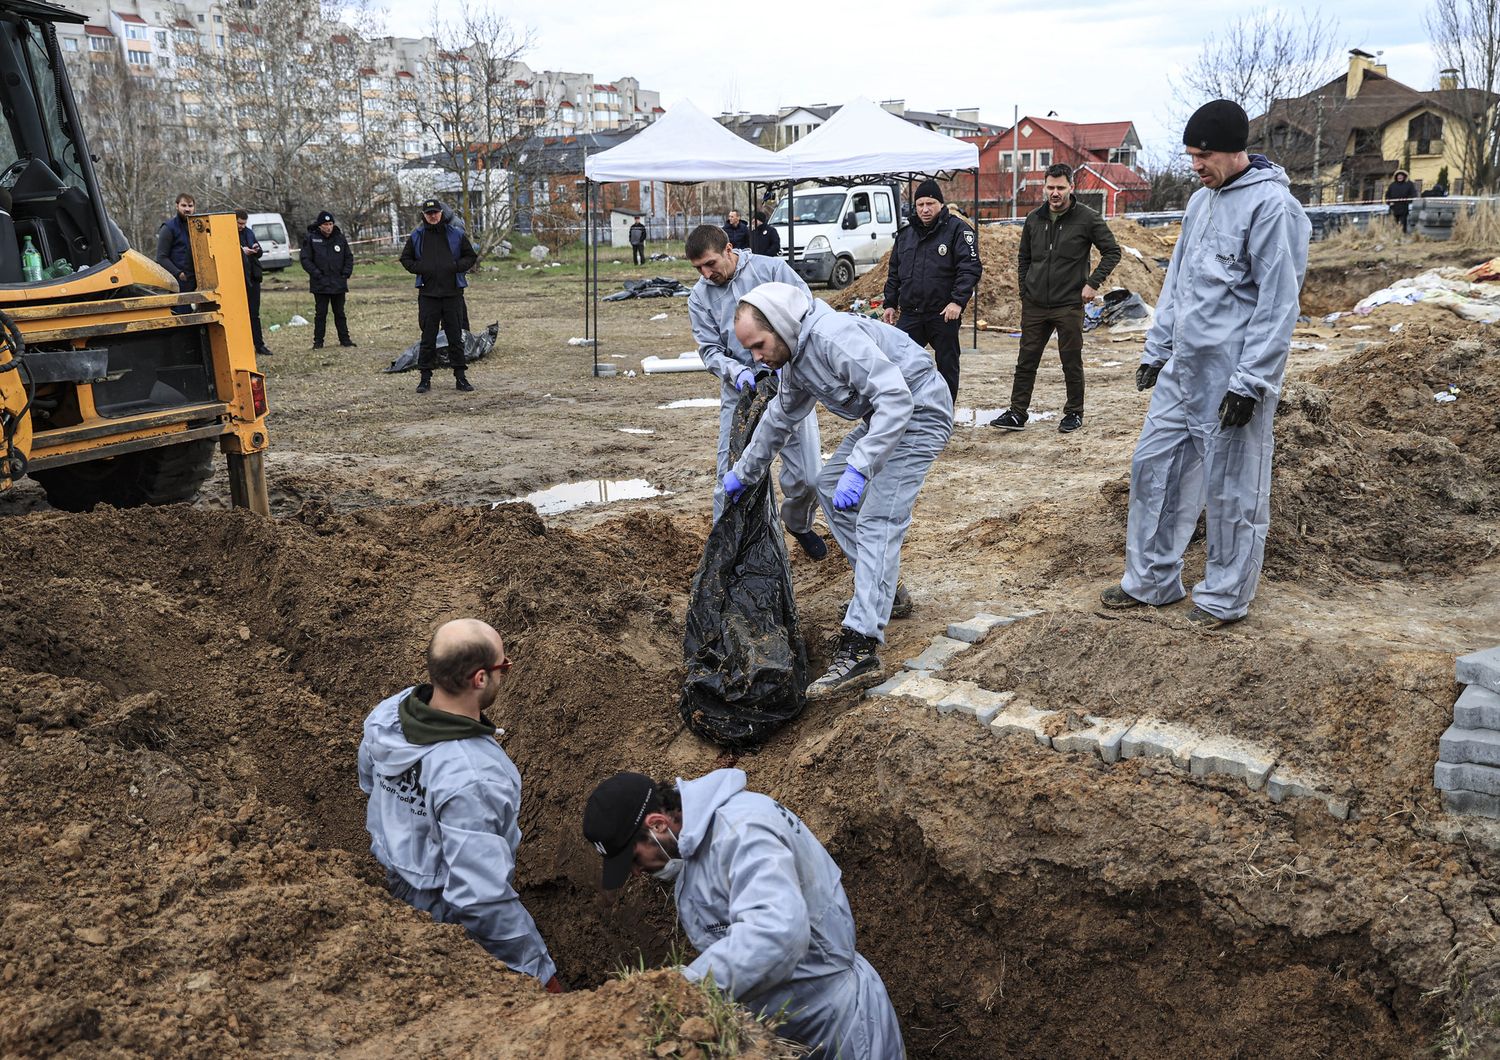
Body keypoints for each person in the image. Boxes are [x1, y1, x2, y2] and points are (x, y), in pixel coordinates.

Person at [1101, 100, 1310, 630]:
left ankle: (1223, 596)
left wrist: (1252, 381)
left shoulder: (1272, 208)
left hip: (1233, 377)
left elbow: (1277, 304)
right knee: (1155, 466)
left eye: (1205, 154)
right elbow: (1177, 283)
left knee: (1232, 488)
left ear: (1235, 149)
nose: (1196, 164)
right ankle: (1150, 580)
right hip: (1184, 369)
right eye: (1191, 154)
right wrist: (1157, 348)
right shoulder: (1200, 202)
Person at [724, 282, 953, 695]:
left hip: (918, 410)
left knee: (880, 518)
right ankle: (887, 591)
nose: (757, 357)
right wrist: (745, 471)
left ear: (779, 326)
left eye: (758, 345)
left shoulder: (833, 338)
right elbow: (780, 418)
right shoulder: (793, 362)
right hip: (884, 418)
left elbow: (895, 399)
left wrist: (863, 466)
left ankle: (860, 647)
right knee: (829, 487)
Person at [582, 769, 904, 1059]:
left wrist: (684, 989)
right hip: (786, 1026)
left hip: (839, 1024)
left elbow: (777, 934)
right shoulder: (694, 848)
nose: (637, 872)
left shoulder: (740, 831)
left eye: (634, 860)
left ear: (658, 825)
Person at [359, 618, 562, 992]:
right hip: (442, 908)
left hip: (394, 875)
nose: (507, 671)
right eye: (504, 665)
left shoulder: (389, 715)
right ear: (480, 679)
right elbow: (479, 897)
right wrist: (538, 971)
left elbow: (369, 780)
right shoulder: (475, 776)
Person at [686, 224, 827, 560]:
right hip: (741, 391)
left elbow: (805, 310)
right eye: (698, 269)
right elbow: (709, 349)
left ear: (729, 249)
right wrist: (737, 372)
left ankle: (798, 522)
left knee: (808, 477)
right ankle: (725, 553)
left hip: (788, 382)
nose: (706, 274)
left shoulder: (772, 270)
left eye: (710, 264)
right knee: (730, 474)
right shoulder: (699, 297)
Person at [988, 164, 1120, 435]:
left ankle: (1074, 413)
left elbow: (1112, 251)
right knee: (1026, 360)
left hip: (1069, 304)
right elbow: (1024, 257)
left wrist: (1092, 283)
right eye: (1050, 187)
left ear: (1071, 187)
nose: (1055, 193)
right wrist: (1025, 289)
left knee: (1070, 360)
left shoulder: (1087, 218)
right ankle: (1017, 412)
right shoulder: (1034, 218)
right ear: (1044, 187)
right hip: (1035, 304)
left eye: (1060, 187)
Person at [880, 179, 981, 403]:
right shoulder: (906, 235)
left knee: (947, 365)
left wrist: (957, 301)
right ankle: (908, 410)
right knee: (902, 364)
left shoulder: (957, 230)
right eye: (920, 204)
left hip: (942, 313)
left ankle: (944, 412)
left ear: (941, 204)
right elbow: (894, 271)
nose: (925, 209)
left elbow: (969, 268)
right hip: (911, 314)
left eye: (931, 203)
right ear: (915, 207)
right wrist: (889, 303)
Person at [400, 198, 478, 394]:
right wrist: (421, 268)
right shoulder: (418, 235)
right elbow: (406, 259)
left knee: (455, 338)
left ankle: (461, 377)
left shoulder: (456, 234)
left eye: (435, 212)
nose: (433, 216)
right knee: (427, 338)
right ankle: (424, 379)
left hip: (452, 293)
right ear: (424, 216)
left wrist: (456, 267)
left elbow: (470, 256)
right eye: (429, 214)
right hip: (428, 295)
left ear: (441, 213)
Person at [299, 209, 355, 349]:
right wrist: (316, 274)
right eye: (325, 224)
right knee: (321, 314)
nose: (328, 227)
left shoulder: (340, 238)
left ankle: (345, 340)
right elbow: (305, 259)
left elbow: (348, 257)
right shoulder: (311, 238)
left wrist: (345, 273)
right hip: (320, 284)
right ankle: (318, 342)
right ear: (320, 225)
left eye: (330, 224)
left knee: (340, 313)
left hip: (338, 282)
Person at [234, 209, 273, 358]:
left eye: (244, 223)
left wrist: (256, 250)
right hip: (238, 278)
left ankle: (259, 344)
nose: (242, 226)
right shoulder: (227, 234)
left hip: (253, 277)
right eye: (239, 223)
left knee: (254, 314)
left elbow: (260, 252)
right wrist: (241, 251)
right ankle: (241, 345)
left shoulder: (249, 233)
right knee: (240, 314)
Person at [155, 192, 196, 292]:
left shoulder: (198, 226)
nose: (187, 209)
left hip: (198, 282)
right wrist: (179, 273)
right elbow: (161, 257)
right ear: (177, 206)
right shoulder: (168, 228)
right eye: (184, 205)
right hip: (178, 284)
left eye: (190, 206)